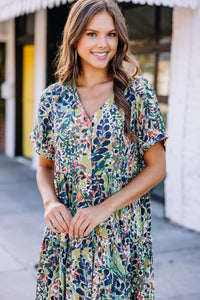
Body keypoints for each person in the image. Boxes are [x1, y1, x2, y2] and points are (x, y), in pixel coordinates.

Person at [30, 0, 168, 299]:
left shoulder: (137, 93)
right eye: (92, 34)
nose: (103, 44)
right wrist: (50, 204)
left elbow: (157, 168)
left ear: (120, 39)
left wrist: (103, 209)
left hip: (119, 238)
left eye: (111, 34)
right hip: (66, 237)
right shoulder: (52, 99)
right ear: (75, 36)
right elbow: (44, 166)